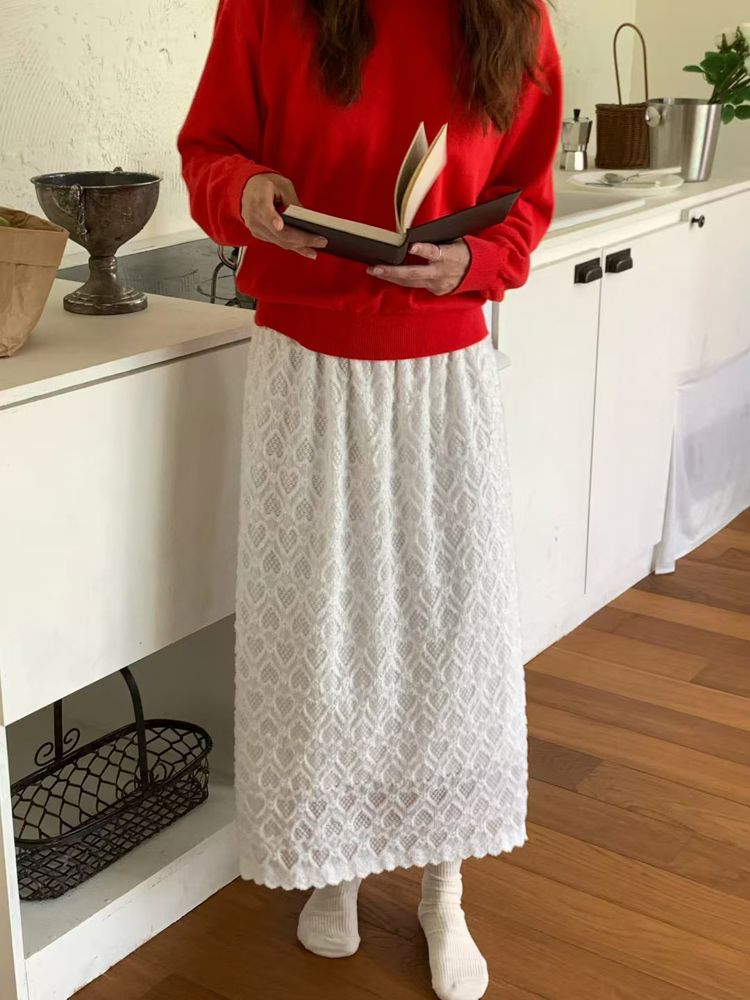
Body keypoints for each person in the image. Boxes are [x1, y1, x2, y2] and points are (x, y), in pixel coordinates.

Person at [178, 2, 562, 997]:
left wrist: (475, 261)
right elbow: (208, 151)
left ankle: (444, 885)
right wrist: (246, 191)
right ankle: (334, 859)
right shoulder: (266, 6)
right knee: (321, 627)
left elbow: (527, 196)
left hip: (442, 369)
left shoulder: (513, 17)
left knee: (450, 630)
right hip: (306, 363)